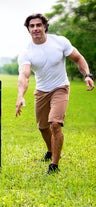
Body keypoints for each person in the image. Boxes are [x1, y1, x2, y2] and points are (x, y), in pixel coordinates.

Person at [15, 13, 94, 175]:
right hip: (41, 91)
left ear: (45, 26)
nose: (36, 28)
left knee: (55, 124)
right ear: (28, 29)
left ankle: (54, 165)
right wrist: (20, 95)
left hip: (61, 87)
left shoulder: (60, 42)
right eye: (32, 26)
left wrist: (87, 75)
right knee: (43, 127)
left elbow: (78, 58)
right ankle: (50, 150)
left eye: (38, 25)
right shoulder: (26, 52)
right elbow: (24, 75)